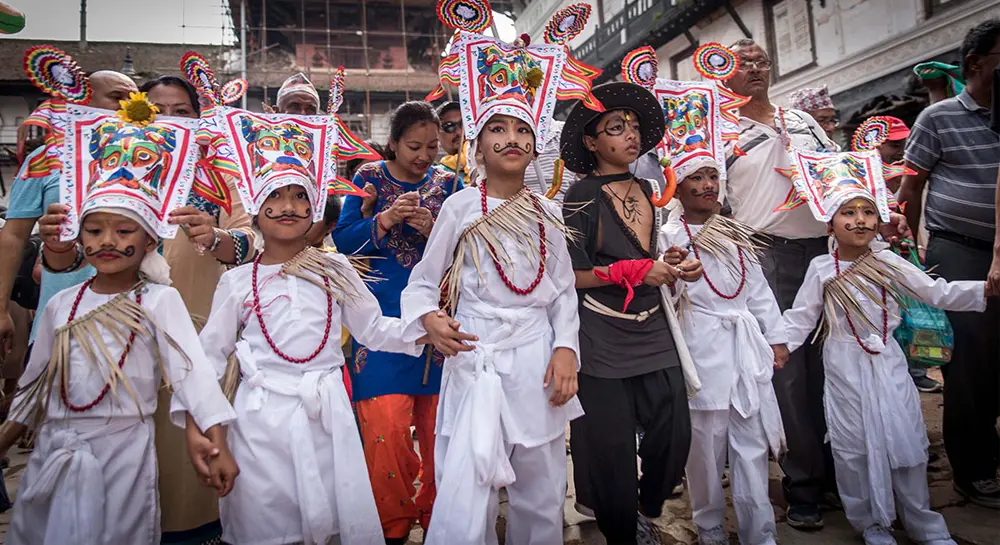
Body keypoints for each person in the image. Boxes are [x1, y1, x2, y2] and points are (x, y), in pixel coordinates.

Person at [0, 90, 238, 545]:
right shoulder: (60, 305)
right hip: (56, 456)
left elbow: (195, 380)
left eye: (125, 230)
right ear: (79, 234)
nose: (107, 240)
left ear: (151, 241)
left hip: (124, 457)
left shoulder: (159, 301)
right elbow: (33, 391)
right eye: (93, 229)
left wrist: (209, 437)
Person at [397, 21, 603, 543]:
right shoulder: (459, 208)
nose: (511, 138)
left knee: (541, 489)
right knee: (470, 490)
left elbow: (559, 293)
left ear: (535, 147)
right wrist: (429, 319)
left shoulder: (548, 212)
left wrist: (565, 351)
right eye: (498, 129)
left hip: (536, 362)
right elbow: (422, 283)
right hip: (475, 358)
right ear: (476, 145)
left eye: (522, 131)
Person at [199, 91, 426, 545]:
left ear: (316, 206)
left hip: (327, 421)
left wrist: (426, 330)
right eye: (274, 197)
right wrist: (211, 436)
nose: (287, 207)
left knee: (329, 525)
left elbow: (374, 329)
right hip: (259, 424)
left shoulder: (335, 267)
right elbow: (206, 363)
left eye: (300, 196)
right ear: (255, 209)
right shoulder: (239, 281)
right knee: (265, 525)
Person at [724, 38, 909, 528]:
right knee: (789, 371)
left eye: (761, 60)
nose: (754, 68)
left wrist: (880, 213)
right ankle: (801, 482)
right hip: (767, 255)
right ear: (723, 69)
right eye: (742, 62)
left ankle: (839, 474)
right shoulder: (717, 129)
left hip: (829, 254)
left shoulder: (803, 121)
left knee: (839, 362)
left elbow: (842, 176)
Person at [781, 147, 988, 545]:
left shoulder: (890, 263)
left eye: (868, 213)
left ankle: (923, 522)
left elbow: (937, 293)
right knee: (852, 447)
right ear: (830, 224)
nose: (859, 221)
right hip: (843, 365)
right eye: (848, 213)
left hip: (888, 362)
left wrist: (986, 289)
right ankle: (871, 524)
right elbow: (801, 320)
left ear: (878, 221)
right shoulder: (822, 270)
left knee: (905, 438)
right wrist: (778, 348)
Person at [560, 80, 703, 543]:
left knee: (675, 429)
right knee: (612, 447)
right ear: (591, 141)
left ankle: (647, 504)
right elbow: (571, 277)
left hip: (654, 326)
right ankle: (624, 529)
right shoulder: (579, 196)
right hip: (601, 332)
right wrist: (633, 271)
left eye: (635, 126)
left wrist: (674, 263)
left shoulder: (649, 187)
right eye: (616, 127)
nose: (630, 134)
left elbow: (655, 255)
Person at [333, 101, 461, 544]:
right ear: (392, 142)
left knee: (438, 426)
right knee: (385, 425)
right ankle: (392, 523)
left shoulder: (449, 182)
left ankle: (439, 513)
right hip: (379, 314)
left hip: (436, 318)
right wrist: (384, 219)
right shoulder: (366, 178)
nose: (425, 155)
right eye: (413, 146)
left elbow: (466, 249)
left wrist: (434, 230)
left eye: (432, 145)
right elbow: (344, 242)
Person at [142, 73, 255, 545]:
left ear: (199, 117)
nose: (168, 121)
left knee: (189, 461)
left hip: (198, 340)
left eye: (181, 112)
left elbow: (254, 239)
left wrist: (218, 238)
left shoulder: (222, 175)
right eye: (155, 111)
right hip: (120, 340)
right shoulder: (113, 170)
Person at [898, 19, 1000, 509]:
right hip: (958, 251)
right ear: (977, 64)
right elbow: (911, 188)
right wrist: (913, 254)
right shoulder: (937, 120)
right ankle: (974, 469)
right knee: (971, 366)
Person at [0, 55, 137, 357]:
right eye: (117, 97)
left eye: (134, 99)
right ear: (82, 98)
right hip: (60, 324)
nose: (128, 106)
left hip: (135, 326)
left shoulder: (149, 161)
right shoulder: (45, 160)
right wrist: (1, 310)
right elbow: (13, 236)